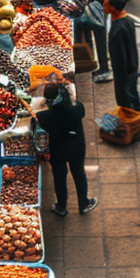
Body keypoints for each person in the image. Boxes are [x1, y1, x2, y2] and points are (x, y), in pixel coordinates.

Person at [36, 80, 98, 216]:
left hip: (57, 149)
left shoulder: (44, 117)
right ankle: (84, 203)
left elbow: (40, 120)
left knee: (59, 176)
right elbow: (79, 106)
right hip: (76, 147)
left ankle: (61, 206)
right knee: (78, 174)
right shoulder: (76, 110)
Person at [107, 0, 140, 113]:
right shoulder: (128, 21)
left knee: (125, 101)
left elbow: (120, 57)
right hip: (133, 66)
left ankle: (131, 124)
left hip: (123, 73)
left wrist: (119, 75)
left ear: (113, 8)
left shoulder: (118, 30)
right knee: (133, 97)